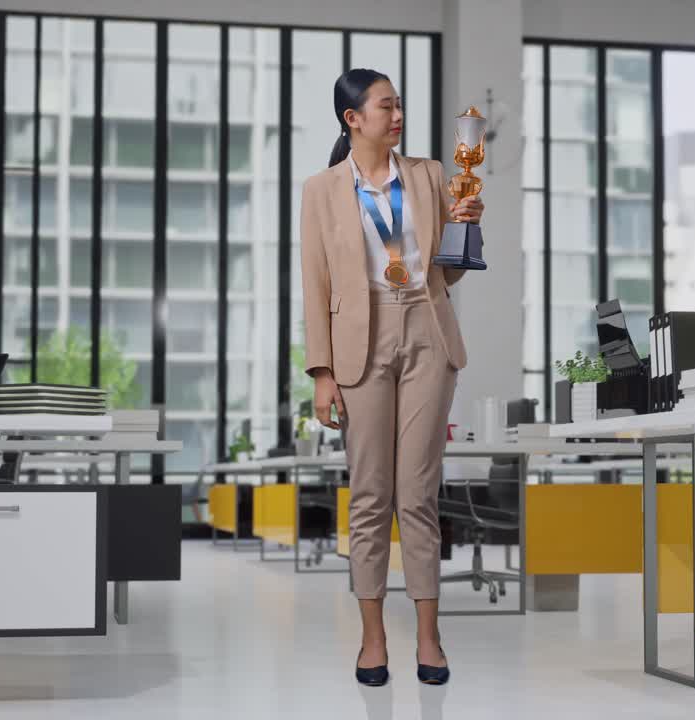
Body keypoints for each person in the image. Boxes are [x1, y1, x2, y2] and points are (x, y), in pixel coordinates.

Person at [299, 68, 484, 687]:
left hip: (427, 332)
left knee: (418, 495)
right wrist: (321, 372)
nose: (396, 115)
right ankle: (372, 638)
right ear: (353, 118)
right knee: (371, 495)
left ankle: (429, 638)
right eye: (386, 106)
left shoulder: (431, 175)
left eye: (399, 105)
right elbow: (315, 287)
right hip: (360, 340)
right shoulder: (321, 190)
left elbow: (448, 273)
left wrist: (467, 224)